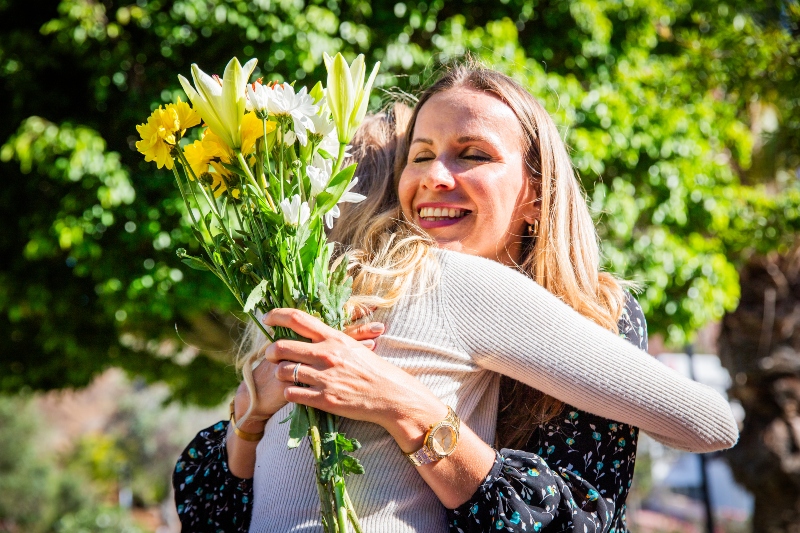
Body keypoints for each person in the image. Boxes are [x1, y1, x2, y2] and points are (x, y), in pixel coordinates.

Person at [174, 65, 738, 533]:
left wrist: (407, 406)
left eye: (472, 154)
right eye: (418, 156)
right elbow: (217, 507)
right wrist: (258, 402)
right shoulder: (343, 301)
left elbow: (679, 446)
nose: (434, 178)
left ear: (536, 194)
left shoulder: (574, 308)